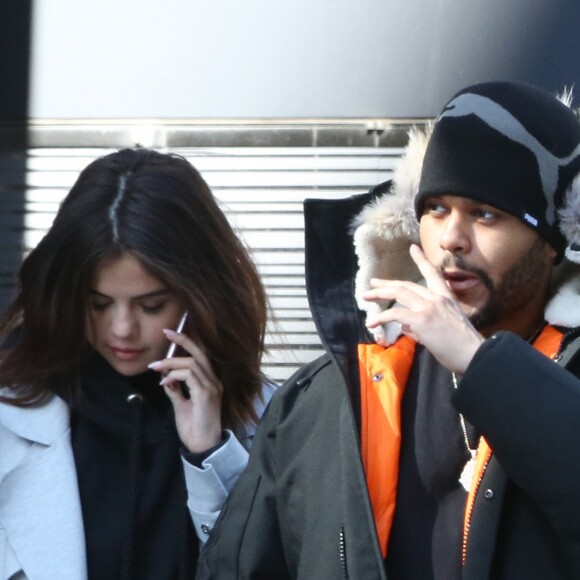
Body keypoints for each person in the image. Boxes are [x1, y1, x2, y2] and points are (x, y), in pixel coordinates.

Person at [196, 81, 580, 580]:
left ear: (555, 240)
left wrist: (478, 362)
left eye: (487, 214)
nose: (451, 239)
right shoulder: (327, 396)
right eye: (436, 207)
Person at [0, 147, 276, 580]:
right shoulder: (12, 411)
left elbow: (263, 565)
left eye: (151, 305)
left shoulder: (268, 417)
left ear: (199, 295)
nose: (122, 330)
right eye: (98, 304)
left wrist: (209, 453)